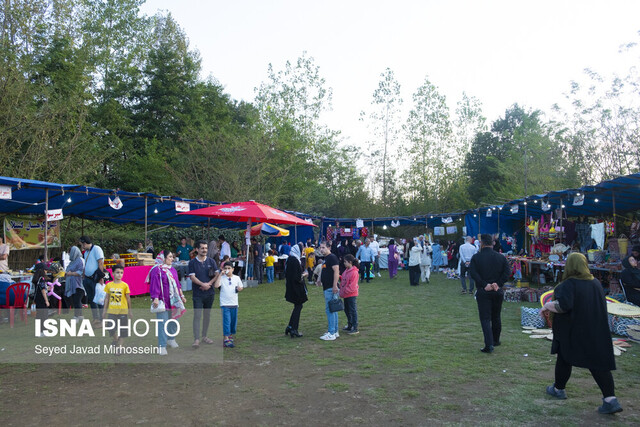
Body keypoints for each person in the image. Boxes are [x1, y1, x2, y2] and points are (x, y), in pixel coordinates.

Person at [541, 252, 622, 414]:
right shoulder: (596, 283)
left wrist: (547, 306)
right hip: (595, 330)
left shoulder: (569, 284)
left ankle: (559, 389)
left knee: (565, 356)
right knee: (596, 363)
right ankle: (610, 399)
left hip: (573, 331)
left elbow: (563, 306)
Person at [469, 234, 510, 353]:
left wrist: (484, 284)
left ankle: (489, 343)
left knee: (485, 318)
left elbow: (473, 273)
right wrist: (498, 283)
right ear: (492, 243)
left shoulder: (477, 257)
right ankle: (496, 340)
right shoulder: (501, 257)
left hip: (484, 291)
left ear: (481, 243)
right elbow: (507, 272)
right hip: (497, 291)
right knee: (496, 316)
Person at [150, 250, 186, 355]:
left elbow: (178, 284)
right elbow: (154, 284)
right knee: (162, 322)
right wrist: (155, 298)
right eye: (170, 257)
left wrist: (182, 296)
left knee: (175, 320)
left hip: (174, 301)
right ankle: (162, 345)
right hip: (163, 301)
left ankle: (171, 338)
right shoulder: (156, 270)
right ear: (163, 258)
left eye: (172, 257)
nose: (172, 259)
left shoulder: (173, 270)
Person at [188, 240, 219, 348]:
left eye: (206, 248)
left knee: (207, 315)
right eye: (202, 248)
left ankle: (204, 336)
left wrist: (209, 284)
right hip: (197, 294)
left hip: (210, 293)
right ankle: (196, 339)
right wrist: (203, 284)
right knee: (197, 316)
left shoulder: (211, 261)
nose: (205, 250)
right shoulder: (192, 262)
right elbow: (192, 277)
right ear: (197, 249)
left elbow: (217, 274)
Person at [214, 261, 243, 348]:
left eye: (229, 268)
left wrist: (239, 288)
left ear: (233, 269)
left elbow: (241, 287)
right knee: (226, 321)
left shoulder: (237, 278)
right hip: (225, 303)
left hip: (234, 303)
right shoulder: (222, 278)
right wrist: (220, 275)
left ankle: (229, 334)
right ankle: (226, 338)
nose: (227, 270)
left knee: (233, 321)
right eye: (225, 268)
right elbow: (216, 285)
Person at [102, 265, 132, 349]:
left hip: (123, 311)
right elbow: (107, 298)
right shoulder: (109, 285)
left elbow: (128, 299)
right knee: (110, 328)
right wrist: (104, 311)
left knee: (123, 331)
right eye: (117, 272)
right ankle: (115, 339)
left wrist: (130, 311)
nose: (120, 274)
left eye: (121, 273)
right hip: (112, 311)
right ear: (112, 273)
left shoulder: (125, 285)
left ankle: (119, 347)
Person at [80, 235, 105, 326]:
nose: (82, 246)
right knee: (92, 300)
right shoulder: (86, 252)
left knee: (99, 299)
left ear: (85, 243)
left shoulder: (97, 249)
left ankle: (102, 319)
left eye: (82, 244)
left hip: (95, 279)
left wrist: (100, 277)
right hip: (87, 278)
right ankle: (96, 318)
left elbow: (100, 263)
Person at [317, 241, 340, 341]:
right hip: (327, 287)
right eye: (320, 248)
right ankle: (334, 331)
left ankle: (331, 333)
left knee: (330, 310)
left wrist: (335, 285)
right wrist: (319, 279)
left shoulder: (332, 257)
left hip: (331, 288)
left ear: (328, 247)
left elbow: (336, 271)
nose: (321, 250)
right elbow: (324, 270)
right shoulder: (326, 259)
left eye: (323, 247)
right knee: (333, 309)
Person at [284, 244, 308, 338]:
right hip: (296, 288)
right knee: (298, 306)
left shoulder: (290, 259)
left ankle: (290, 326)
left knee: (297, 306)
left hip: (291, 286)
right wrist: (304, 275)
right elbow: (297, 276)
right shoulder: (295, 260)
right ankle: (294, 328)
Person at [64, 246, 85, 319]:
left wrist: (71, 273)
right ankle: (79, 315)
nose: (69, 255)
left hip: (78, 284)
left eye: (70, 253)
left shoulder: (80, 260)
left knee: (77, 300)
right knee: (75, 300)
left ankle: (77, 316)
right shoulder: (72, 261)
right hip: (72, 284)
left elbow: (81, 272)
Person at [340, 254, 360, 334]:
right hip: (346, 294)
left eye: (345, 262)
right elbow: (345, 279)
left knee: (352, 310)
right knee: (347, 310)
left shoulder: (354, 272)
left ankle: (355, 327)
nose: (344, 263)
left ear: (350, 262)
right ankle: (350, 324)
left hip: (351, 294)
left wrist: (344, 290)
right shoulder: (347, 270)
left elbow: (352, 286)